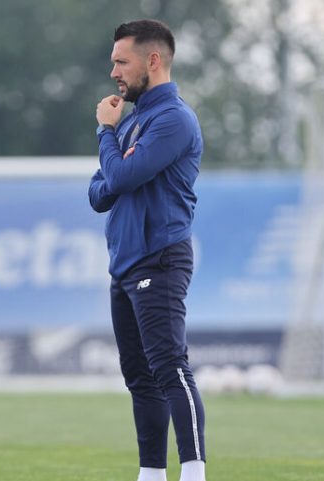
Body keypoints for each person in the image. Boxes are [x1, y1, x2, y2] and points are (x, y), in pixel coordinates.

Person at [89, 19, 207, 481]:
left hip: (160, 257)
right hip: (124, 263)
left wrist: (105, 135)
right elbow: (98, 194)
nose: (114, 72)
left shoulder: (173, 119)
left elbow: (116, 178)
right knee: (139, 378)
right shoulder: (131, 119)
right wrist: (115, 152)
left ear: (152, 61)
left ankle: (194, 471)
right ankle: (152, 474)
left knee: (170, 368)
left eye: (122, 61)